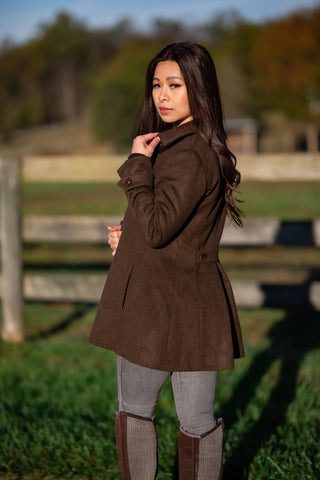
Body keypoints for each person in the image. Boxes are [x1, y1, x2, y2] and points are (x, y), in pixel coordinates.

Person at [89, 41, 245, 480]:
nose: (162, 95)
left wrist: (137, 164)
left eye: (175, 85)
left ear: (199, 89)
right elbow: (171, 231)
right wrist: (130, 243)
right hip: (193, 303)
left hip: (156, 307)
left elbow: (158, 226)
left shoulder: (185, 153)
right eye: (157, 84)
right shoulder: (189, 146)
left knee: (137, 410)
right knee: (197, 423)